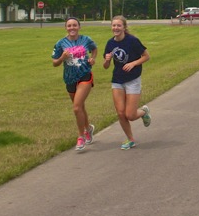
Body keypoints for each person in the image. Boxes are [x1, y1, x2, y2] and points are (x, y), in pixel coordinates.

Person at [103, 15, 151, 150]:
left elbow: (146, 56)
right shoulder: (110, 43)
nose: (116, 28)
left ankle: (143, 112)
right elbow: (105, 66)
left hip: (133, 80)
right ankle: (130, 140)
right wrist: (107, 60)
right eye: (114, 25)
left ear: (124, 27)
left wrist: (133, 63)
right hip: (117, 80)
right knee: (120, 113)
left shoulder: (132, 41)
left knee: (130, 115)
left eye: (119, 25)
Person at [52, 17, 98, 152]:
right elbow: (54, 63)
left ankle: (81, 136)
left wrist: (92, 58)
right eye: (69, 26)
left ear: (79, 27)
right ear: (66, 28)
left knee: (76, 108)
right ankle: (88, 128)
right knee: (80, 107)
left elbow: (94, 49)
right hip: (69, 78)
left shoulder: (86, 40)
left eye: (74, 25)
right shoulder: (61, 43)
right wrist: (62, 57)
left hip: (84, 75)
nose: (72, 28)